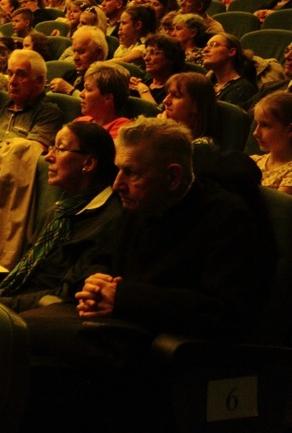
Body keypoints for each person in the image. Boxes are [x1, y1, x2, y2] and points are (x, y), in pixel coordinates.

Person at [23, 117, 267, 372]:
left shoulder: (226, 217)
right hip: (113, 325)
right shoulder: (140, 201)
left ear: (173, 176)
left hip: (161, 348)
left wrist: (123, 297)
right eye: (118, 170)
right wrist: (96, 282)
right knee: (9, 337)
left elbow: (222, 311)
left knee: (16, 347)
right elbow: (100, 256)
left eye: (131, 172)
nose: (117, 185)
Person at [0, 121, 121, 312]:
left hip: (38, 315)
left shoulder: (109, 222)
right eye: (51, 147)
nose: (48, 157)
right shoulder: (60, 210)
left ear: (88, 163)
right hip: (11, 299)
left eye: (59, 149)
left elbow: (65, 294)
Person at [0, 49, 63, 154]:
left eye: (21, 75)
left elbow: (27, 154)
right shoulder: (4, 107)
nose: (12, 81)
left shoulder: (49, 114)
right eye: (10, 73)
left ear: (39, 81)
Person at [159, 72, 219, 145]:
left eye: (176, 95)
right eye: (168, 94)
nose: (165, 101)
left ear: (196, 105)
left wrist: (164, 131)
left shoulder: (203, 146)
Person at [75, 62, 132, 138]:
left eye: (88, 89)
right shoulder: (80, 121)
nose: (81, 95)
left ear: (108, 98)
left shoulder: (122, 129)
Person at [250, 92, 292, 194]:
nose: (255, 133)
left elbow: (276, 208)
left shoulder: (289, 173)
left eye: (265, 125)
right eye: (257, 124)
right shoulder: (253, 161)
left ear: (290, 130)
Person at [202, 32, 258, 108]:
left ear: (231, 52)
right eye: (206, 46)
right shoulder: (209, 85)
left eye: (214, 45)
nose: (205, 50)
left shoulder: (242, 89)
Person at [131, 34, 186, 105]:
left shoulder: (175, 91)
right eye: (146, 53)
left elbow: (157, 114)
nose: (146, 58)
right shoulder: (142, 82)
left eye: (154, 53)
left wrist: (143, 90)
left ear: (171, 57)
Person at [111, 5, 156, 69]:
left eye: (124, 23)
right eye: (120, 23)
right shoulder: (125, 43)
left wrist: (99, 64)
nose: (119, 27)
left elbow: (123, 61)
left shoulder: (145, 46)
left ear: (138, 25)